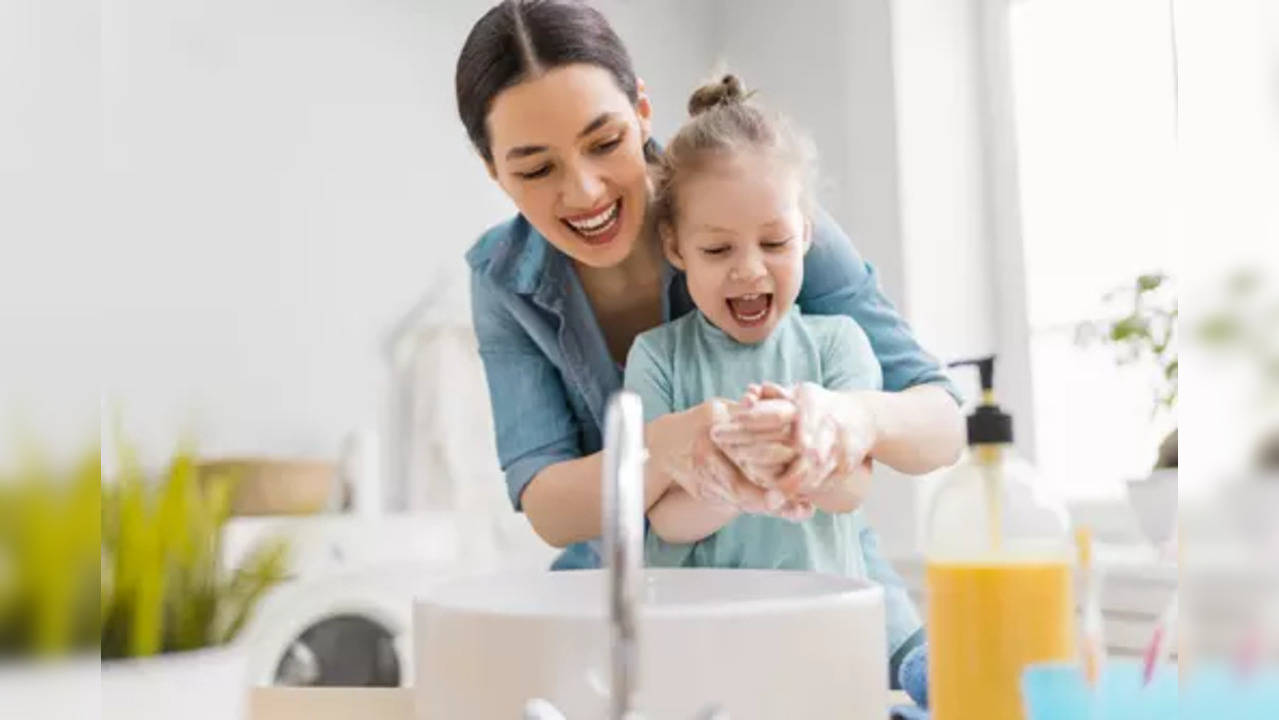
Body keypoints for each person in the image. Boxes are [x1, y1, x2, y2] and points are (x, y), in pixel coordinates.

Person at [455, 0, 963, 695]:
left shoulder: (753, 202)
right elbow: (547, 503)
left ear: (640, 110)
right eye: (535, 169)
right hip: (628, 603)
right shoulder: (503, 281)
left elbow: (939, 421)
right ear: (493, 172)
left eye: (604, 143)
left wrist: (852, 420)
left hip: (817, 592)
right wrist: (668, 446)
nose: (584, 190)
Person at [625, 73, 925, 691]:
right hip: (696, 646)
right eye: (717, 250)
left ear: (807, 233)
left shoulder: (839, 343)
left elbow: (851, 492)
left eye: (774, 242)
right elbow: (665, 522)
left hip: (820, 638)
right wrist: (737, 475)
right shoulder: (655, 359)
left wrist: (798, 448)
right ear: (675, 246)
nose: (749, 269)